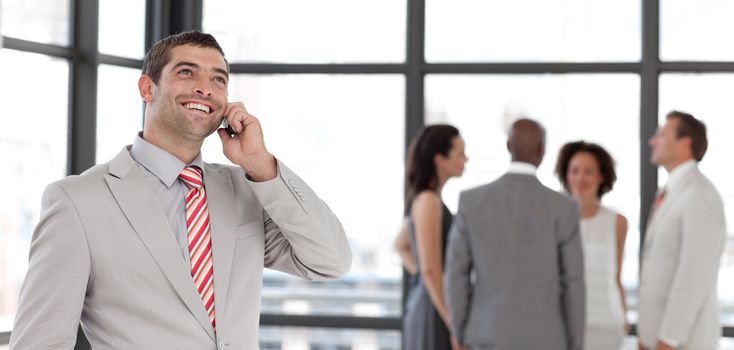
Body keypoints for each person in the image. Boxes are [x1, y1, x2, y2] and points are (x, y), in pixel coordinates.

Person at [9, 31, 352, 350]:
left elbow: (330, 261)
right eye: (187, 72)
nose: (205, 88)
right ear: (147, 89)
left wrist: (261, 165)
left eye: (218, 79)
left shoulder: (248, 189)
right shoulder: (77, 202)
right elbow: (40, 342)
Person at [445, 118, 585, 350]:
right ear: (542, 150)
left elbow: (456, 274)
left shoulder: (471, 202)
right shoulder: (564, 208)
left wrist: (459, 331)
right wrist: (575, 344)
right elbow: (574, 284)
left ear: (508, 147)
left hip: (485, 335)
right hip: (547, 339)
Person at [638, 111, 725, 350]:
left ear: (685, 143)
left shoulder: (700, 195)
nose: (652, 141)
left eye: (661, 134)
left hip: (682, 341)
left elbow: (695, 275)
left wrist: (668, 338)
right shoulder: (670, 192)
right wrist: (646, 335)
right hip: (655, 337)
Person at [396, 124, 467, 350]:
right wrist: (454, 325)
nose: (466, 159)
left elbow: (401, 245)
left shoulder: (426, 198)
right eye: (460, 153)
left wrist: (424, 280)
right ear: (440, 159)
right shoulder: (429, 201)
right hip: (434, 311)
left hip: (429, 303)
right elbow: (430, 269)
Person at [556, 141, 628, 350]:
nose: (580, 178)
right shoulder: (555, 220)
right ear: (565, 175)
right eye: (574, 171)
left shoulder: (617, 222)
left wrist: (623, 315)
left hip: (606, 324)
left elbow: (616, 275)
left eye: (588, 171)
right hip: (563, 324)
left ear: (601, 176)